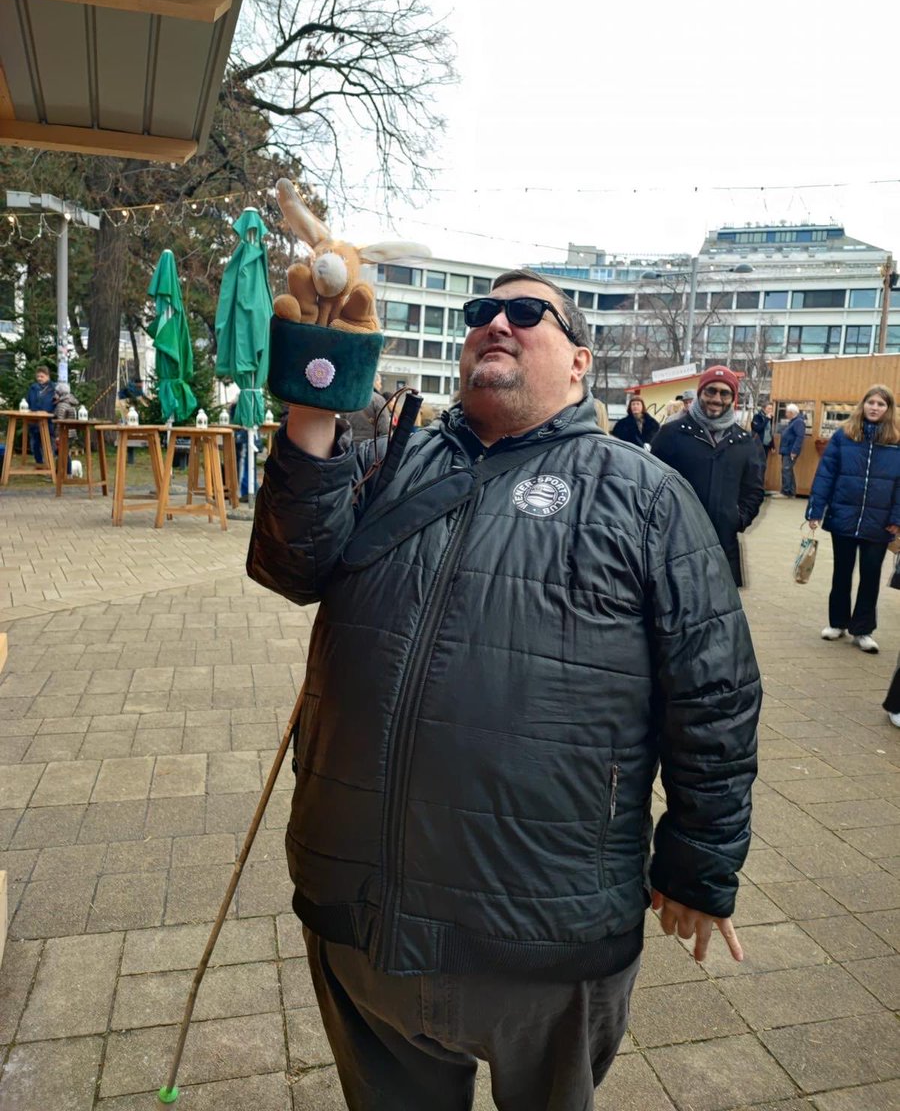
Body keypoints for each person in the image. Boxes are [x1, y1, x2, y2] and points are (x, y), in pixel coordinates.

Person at [247, 268, 760, 1111]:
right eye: (481, 312)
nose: (498, 324)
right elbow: (287, 566)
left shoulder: (647, 496)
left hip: (548, 936)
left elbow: (716, 696)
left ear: (580, 361)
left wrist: (700, 866)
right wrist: (318, 388)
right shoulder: (386, 460)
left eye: (529, 313)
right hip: (362, 912)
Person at [651, 365, 765, 587]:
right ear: (700, 392)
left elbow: (754, 490)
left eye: (724, 393)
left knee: (719, 615)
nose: (716, 398)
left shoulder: (744, 441)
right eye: (710, 391)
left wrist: (738, 519)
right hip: (676, 543)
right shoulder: (671, 434)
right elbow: (650, 483)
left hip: (722, 544)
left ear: (732, 398)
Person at [806, 385, 900, 654]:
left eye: (881, 404)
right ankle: (837, 623)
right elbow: (826, 475)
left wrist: (897, 517)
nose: (875, 408)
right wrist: (815, 510)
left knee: (870, 576)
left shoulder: (896, 441)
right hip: (843, 517)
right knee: (842, 574)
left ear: (888, 409)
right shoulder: (843, 436)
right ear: (863, 405)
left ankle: (863, 630)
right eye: (871, 402)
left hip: (879, 522)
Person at [25, 364, 55, 463]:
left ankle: (49, 465)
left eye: (42, 376)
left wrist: (48, 412)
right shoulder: (33, 388)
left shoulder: (53, 388)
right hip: (34, 422)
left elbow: (56, 404)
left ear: (47, 376)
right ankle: (39, 464)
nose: (39, 378)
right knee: (35, 444)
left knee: (48, 445)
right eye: (38, 376)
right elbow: (28, 401)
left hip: (48, 422)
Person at [778, 403, 806, 497]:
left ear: (791, 413)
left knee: (786, 470)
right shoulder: (794, 421)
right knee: (788, 470)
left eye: (787, 412)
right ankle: (791, 491)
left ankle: (785, 492)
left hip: (790, 451)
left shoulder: (798, 422)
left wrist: (794, 451)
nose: (785, 414)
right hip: (787, 450)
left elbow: (799, 437)